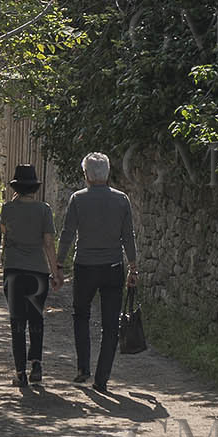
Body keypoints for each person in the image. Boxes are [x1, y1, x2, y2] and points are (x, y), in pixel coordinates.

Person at [58, 151, 138, 395]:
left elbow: (68, 234)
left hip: (85, 266)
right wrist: (133, 266)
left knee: (80, 315)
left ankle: (84, 367)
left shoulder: (78, 199)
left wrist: (58, 265)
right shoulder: (121, 199)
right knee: (110, 325)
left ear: (87, 176)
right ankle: (102, 379)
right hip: (113, 267)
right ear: (107, 174)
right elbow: (128, 237)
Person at [0, 162, 61, 393]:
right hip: (38, 272)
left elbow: (4, 236)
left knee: (17, 321)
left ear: (16, 187)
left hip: (14, 270)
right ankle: (36, 364)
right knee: (36, 318)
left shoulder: (7, 209)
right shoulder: (44, 210)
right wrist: (55, 272)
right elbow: (48, 243)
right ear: (34, 188)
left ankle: (19, 373)